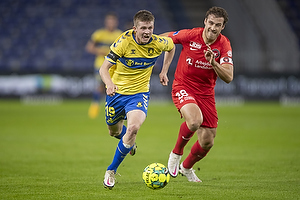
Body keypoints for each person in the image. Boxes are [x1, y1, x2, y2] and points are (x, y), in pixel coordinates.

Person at [99, 10, 175, 189]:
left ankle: (111, 171)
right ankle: (128, 144)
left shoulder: (158, 42)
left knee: (133, 128)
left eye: (150, 27)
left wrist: (164, 71)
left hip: (139, 94)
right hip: (116, 93)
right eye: (143, 28)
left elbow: (171, 47)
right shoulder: (124, 42)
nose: (147, 31)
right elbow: (103, 69)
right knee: (114, 132)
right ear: (135, 28)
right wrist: (109, 84)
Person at [162, 6, 234, 182]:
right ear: (205, 21)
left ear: (222, 27)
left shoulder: (223, 44)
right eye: (211, 23)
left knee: (207, 141)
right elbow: (164, 38)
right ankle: (175, 154)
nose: (213, 28)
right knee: (194, 121)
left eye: (218, 25)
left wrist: (214, 63)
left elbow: (229, 77)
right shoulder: (191, 35)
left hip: (206, 93)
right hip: (183, 85)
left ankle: (186, 168)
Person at [85, 13, 122, 119]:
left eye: (113, 21)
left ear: (116, 22)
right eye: (109, 21)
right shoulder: (99, 34)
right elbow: (89, 47)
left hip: (115, 66)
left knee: (116, 86)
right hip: (101, 65)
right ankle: (95, 106)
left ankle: (114, 108)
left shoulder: (119, 34)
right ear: (106, 22)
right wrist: (102, 51)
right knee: (100, 86)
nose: (111, 23)